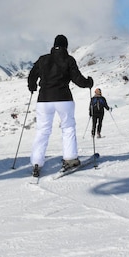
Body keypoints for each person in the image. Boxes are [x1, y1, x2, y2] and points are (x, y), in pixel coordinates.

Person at [27, 34, 94, 177]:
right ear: (66, 46)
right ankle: (70, 159)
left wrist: (32, 87)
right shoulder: (68, 60)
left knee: (42, 130)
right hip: (64, 99)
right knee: (68, 128)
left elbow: (32, 75)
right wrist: (89, 83)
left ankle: (36, 162)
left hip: (44, 99)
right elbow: (78, 79)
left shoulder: (43, 59)